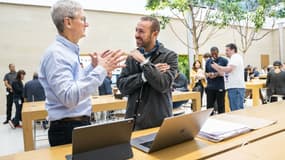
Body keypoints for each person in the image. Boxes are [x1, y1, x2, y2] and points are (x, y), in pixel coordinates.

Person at [39, 0, 126, 146]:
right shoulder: (56, 54)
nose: (87, 24)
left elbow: (74, 83)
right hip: (67, 129)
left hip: (75, 126)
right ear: (68, 22)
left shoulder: (67, 51)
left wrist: (92, 68)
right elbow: (69, 97)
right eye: (83, 19)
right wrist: (101, 70)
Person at [117, 16, 178, 130]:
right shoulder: (132, 57)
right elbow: (122, 86)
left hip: (158, 125)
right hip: (132, 124)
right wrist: (145, 76)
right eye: (136, 30)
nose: (136, 35)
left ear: (155, 34)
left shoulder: (170, 56)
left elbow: (163, 85)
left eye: (141, 31)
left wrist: (144, 62)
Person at [211, 43, 245, 111]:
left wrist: (218, 66)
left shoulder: (236, 57)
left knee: (236, 110)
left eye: (227, 50)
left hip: (236, 88)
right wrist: (216, 68)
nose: (225, 52)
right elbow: (224, 73)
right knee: (234, 109)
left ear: (233, 50)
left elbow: (229, 69)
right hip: (232, 88)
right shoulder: (231, 60)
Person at [205, 47, 228, 114]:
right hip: (210, 87)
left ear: (218, 52)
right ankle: (210, 120)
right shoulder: (208, 62)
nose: (214, 55)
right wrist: (208, 75)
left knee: (221, 105)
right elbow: (206, 72)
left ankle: (222, 119)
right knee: (209, 106)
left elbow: (226, 72)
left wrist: (216, 74)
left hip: (220, 86)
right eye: (212, 54)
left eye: (215, 53)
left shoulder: (224, 61)